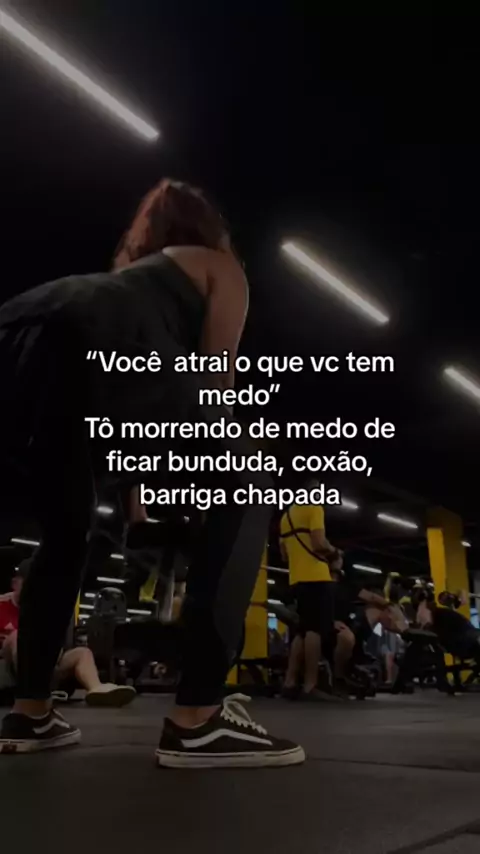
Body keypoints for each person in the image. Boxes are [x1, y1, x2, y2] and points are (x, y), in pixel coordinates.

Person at [0, 178, 304, 767]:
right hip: (98, 353)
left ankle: (29, 710)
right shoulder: (219, 265)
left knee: (66, 531)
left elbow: (114, 420)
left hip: (16, 337)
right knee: (249, 480)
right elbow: (215, 384)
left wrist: (137, 512)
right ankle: (199, 719)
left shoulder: (129, 280)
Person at [0, 561, 135, 707]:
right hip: (9, 664)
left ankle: (96, 689)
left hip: (43, 665)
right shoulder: (2, 604)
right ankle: (31, 692)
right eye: (29, 584)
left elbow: (54, 645)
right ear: (15, 583)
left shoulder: (45, 611)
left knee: (82, 653)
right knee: (19, 636)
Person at [279, 484, 340, 700]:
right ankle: (310, 685)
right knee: (315, 630)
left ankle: (290, 682)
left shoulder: (286, 516)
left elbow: (284, 555)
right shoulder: (314, 508)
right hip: (316, 577)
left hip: (296, 579)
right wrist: (335, 552)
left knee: (301, 631)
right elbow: (319, 543)